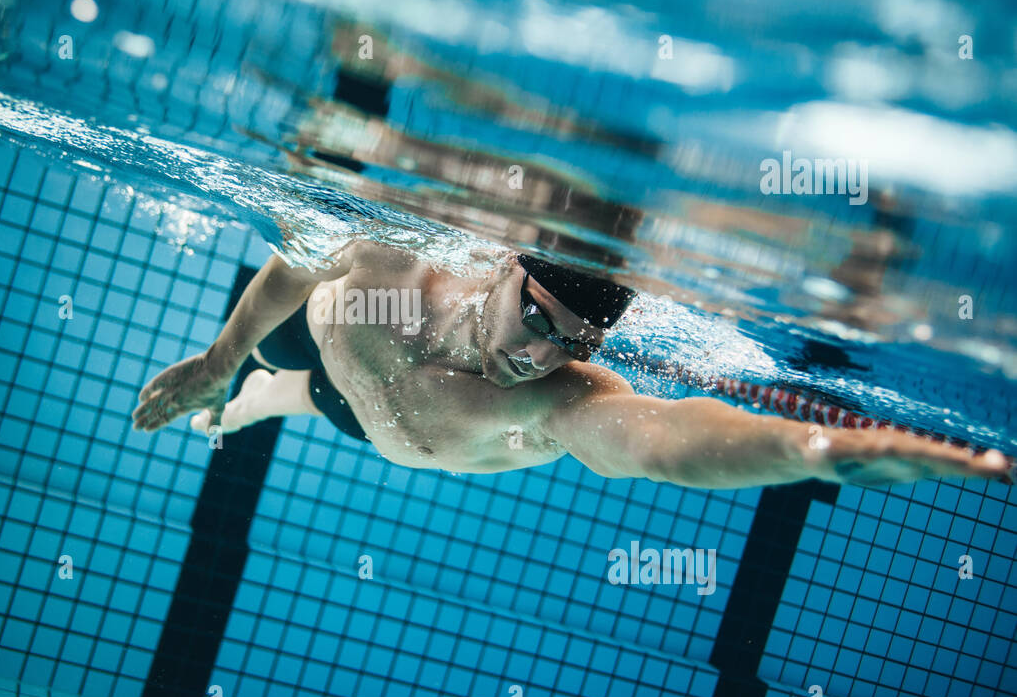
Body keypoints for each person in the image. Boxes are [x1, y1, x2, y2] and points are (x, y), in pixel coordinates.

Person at [131, 242, 1012, 489]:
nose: (535, 355)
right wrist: (216, 360)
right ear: (508, 269)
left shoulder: (562, 399)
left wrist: (807, 451)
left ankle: (261, 399)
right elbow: (294, 263)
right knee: (278, 370)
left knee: (306, 403)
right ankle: (246, 390)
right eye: (534, 320)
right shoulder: (391, 267)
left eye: (568, 344)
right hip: (323, 340)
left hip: (366, 417)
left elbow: (662, 441)